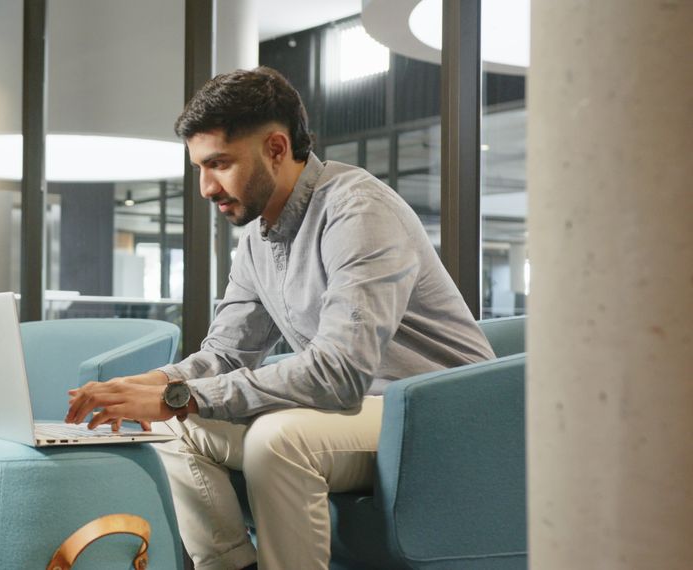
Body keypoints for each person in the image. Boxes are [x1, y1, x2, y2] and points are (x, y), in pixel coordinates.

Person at [65, 66, 495, 570]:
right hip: (358, 412)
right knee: (167, 428)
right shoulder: (257, 240)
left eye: (219, 164)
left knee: (279, 440)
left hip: (440, 412)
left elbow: (339, 372)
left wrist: (176, 396)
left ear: (275, 147)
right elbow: (226, 353)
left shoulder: (357, 212)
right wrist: (154, 385)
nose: (205, 187)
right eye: (200, 168)